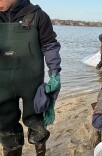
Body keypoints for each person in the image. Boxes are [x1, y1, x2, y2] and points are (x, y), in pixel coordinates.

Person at [0, 0, 61, 155]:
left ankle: (40, 151)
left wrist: (54, 72)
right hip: (2, 86)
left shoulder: (38, 16)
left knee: (37, 126)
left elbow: (50, 45)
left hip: (32, 84)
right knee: (6, 130)